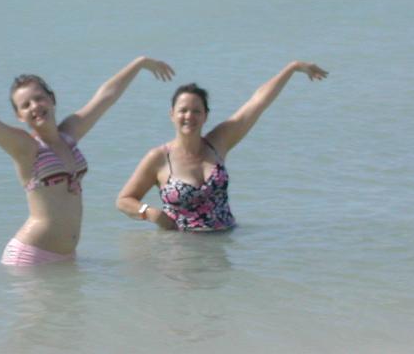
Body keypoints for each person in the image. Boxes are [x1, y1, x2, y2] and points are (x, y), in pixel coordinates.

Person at [0, 56, 174, 265]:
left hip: (66, 257)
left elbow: (105, 97)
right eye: (25, 105)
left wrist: (139, 64)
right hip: (30, 258)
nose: (34, 106)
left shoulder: (69, 134)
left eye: (39, 98)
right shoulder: (26, 148)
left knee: (69, 325)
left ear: (52, 99)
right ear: (20, 116)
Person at [116, 61, 327, 232]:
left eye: (196, 111)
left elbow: (256, 103)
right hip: (179, 250)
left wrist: (291, 68)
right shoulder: (159, 157)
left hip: (224, 245)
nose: (189, 116)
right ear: (172, 114)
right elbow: (124, 200)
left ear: (206, 116)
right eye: (183, 110)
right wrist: (150, 212)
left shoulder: (218, 142)